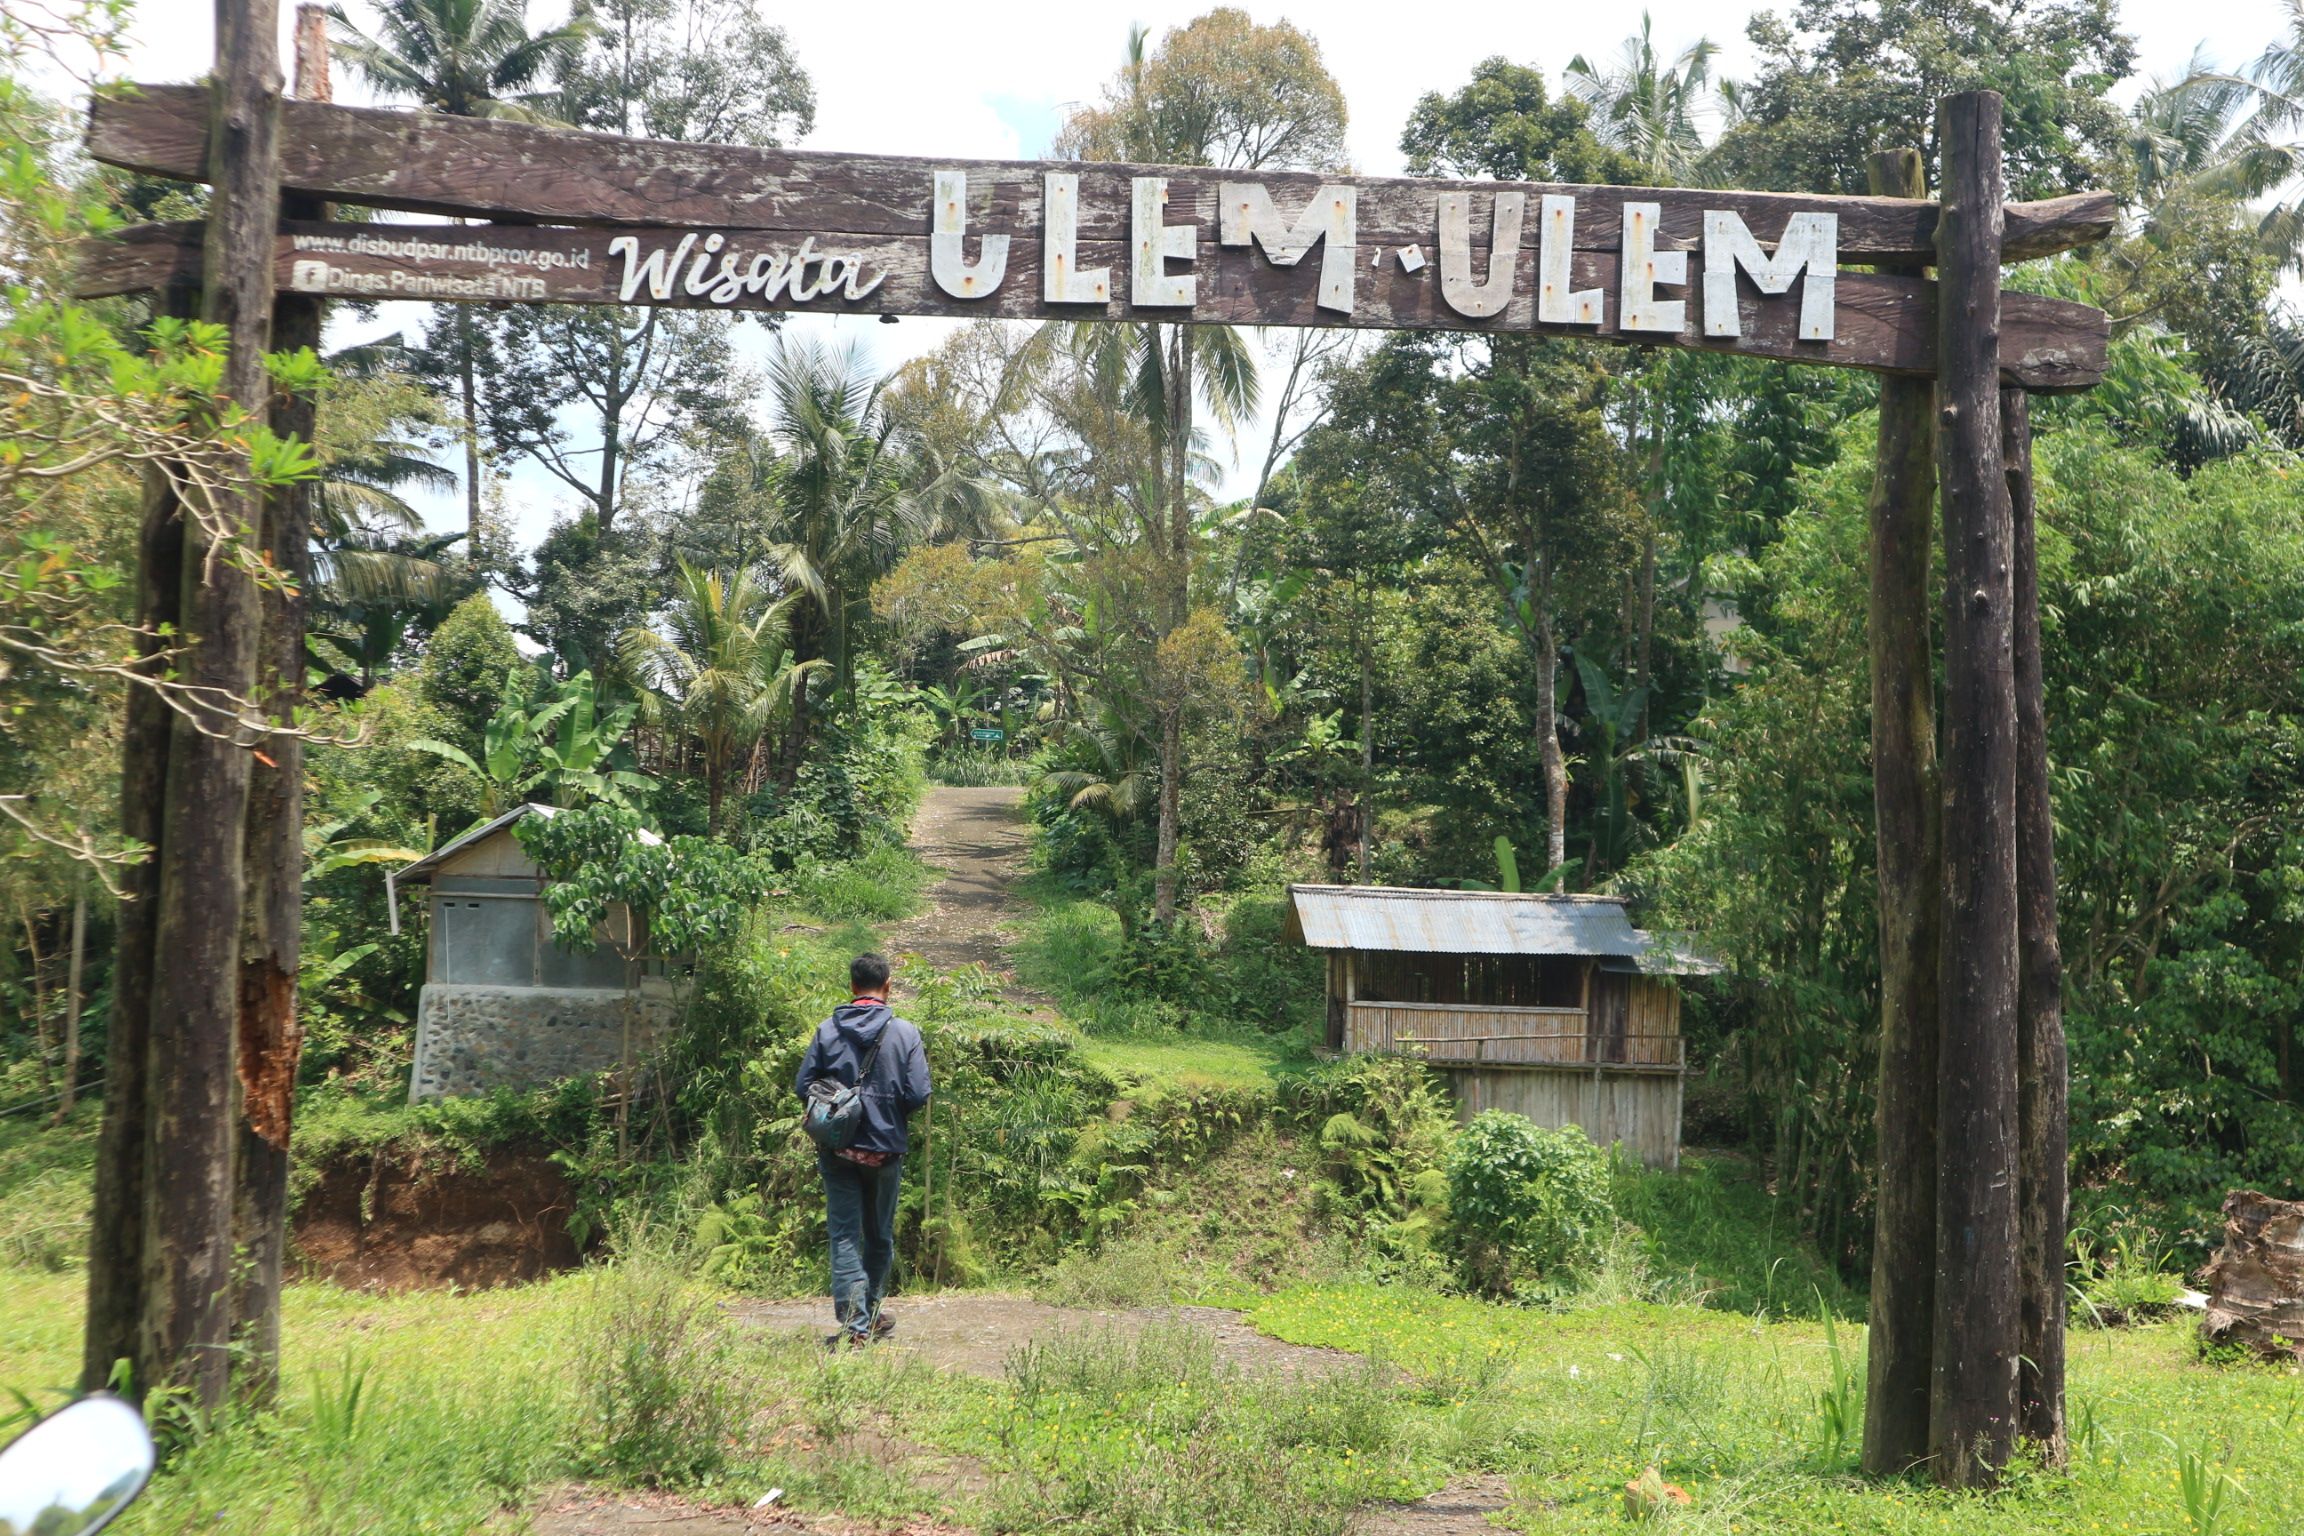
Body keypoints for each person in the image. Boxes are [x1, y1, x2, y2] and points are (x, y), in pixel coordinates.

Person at [793, 952, 931, 1349]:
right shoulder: (905, 1032)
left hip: (838, 1149)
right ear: (888, 986)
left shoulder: (827, 1030)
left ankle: (857, 1324)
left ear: (852, 987)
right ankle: (864, 1318)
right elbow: (919, 1092)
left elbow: (804, 1086)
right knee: (879, 1235)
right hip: (886, 1148)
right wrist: (887, 1114)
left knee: (844, 1234)